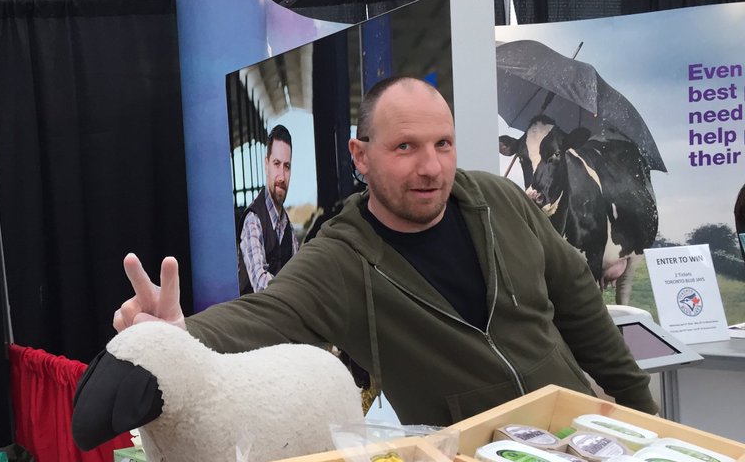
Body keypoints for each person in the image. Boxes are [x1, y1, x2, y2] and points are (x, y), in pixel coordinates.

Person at [114, 76, 656, 426]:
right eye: (405, 147)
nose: (431, 166)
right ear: (361, 155)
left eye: (442, 143)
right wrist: (178, 334)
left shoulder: (500, 201)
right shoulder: (344, 258)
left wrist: (646, 415)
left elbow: (580, 303)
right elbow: (264, 313)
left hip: (578, 444)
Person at [238, 125, 298, 293]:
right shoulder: (253, 220)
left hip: (281, 316)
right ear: (266, 165)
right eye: (276, 164)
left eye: (287, 166)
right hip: (251, 317)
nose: (282, 176)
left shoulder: (288, 227)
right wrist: (294, 292)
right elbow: (259, 282)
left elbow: (300, 274)